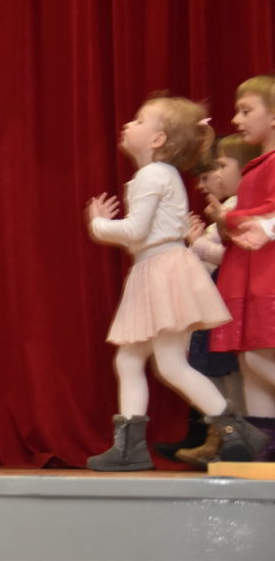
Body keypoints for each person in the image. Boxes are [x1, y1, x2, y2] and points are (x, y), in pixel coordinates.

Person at [85, 95, 266, 471]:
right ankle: (134, 446)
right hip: (156, 269)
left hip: (161, 271)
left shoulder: (152, 175)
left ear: (157, 139)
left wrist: (98, 224)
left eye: (139, 120)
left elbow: (135, 232)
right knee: (132, 359)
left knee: (166, 364)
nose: (128, 125)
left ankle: (235, 431)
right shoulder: (156, 175)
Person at [158, 135, 257, 464]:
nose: (209, 179)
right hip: (216, 302)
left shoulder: (236, 208)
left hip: (224, 304)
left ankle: (234, 438)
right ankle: (225, 439)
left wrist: (197, 242)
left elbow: (232, 257)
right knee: (218, 376)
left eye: (221, 166)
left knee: (227, 377)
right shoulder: (230, 207)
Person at [206, 76, 275, 462]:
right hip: (252, 273)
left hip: (268, 275)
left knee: (260, 357)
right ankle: (266, 447)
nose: (236, 119)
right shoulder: (257, 166)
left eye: (246, 111)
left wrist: (238, 220)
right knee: (250, 361)